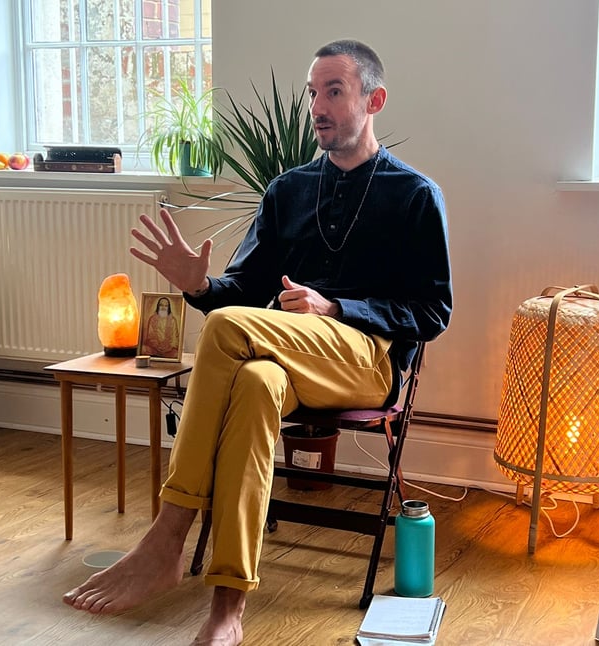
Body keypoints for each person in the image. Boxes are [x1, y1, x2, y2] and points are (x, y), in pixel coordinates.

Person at [63, 39, 452, 646]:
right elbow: (242, 290)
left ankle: (167, 536)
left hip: (366, 359)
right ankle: (227, 608)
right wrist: (201, 284)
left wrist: (335, 306)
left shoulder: (415, 196)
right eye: (311, 92)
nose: (317, 106)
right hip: (282, 357)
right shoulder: (287, 191)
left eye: (334, 91)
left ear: (374, 100)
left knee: (226, 330)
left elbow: (433, 310)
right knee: (252, 383)